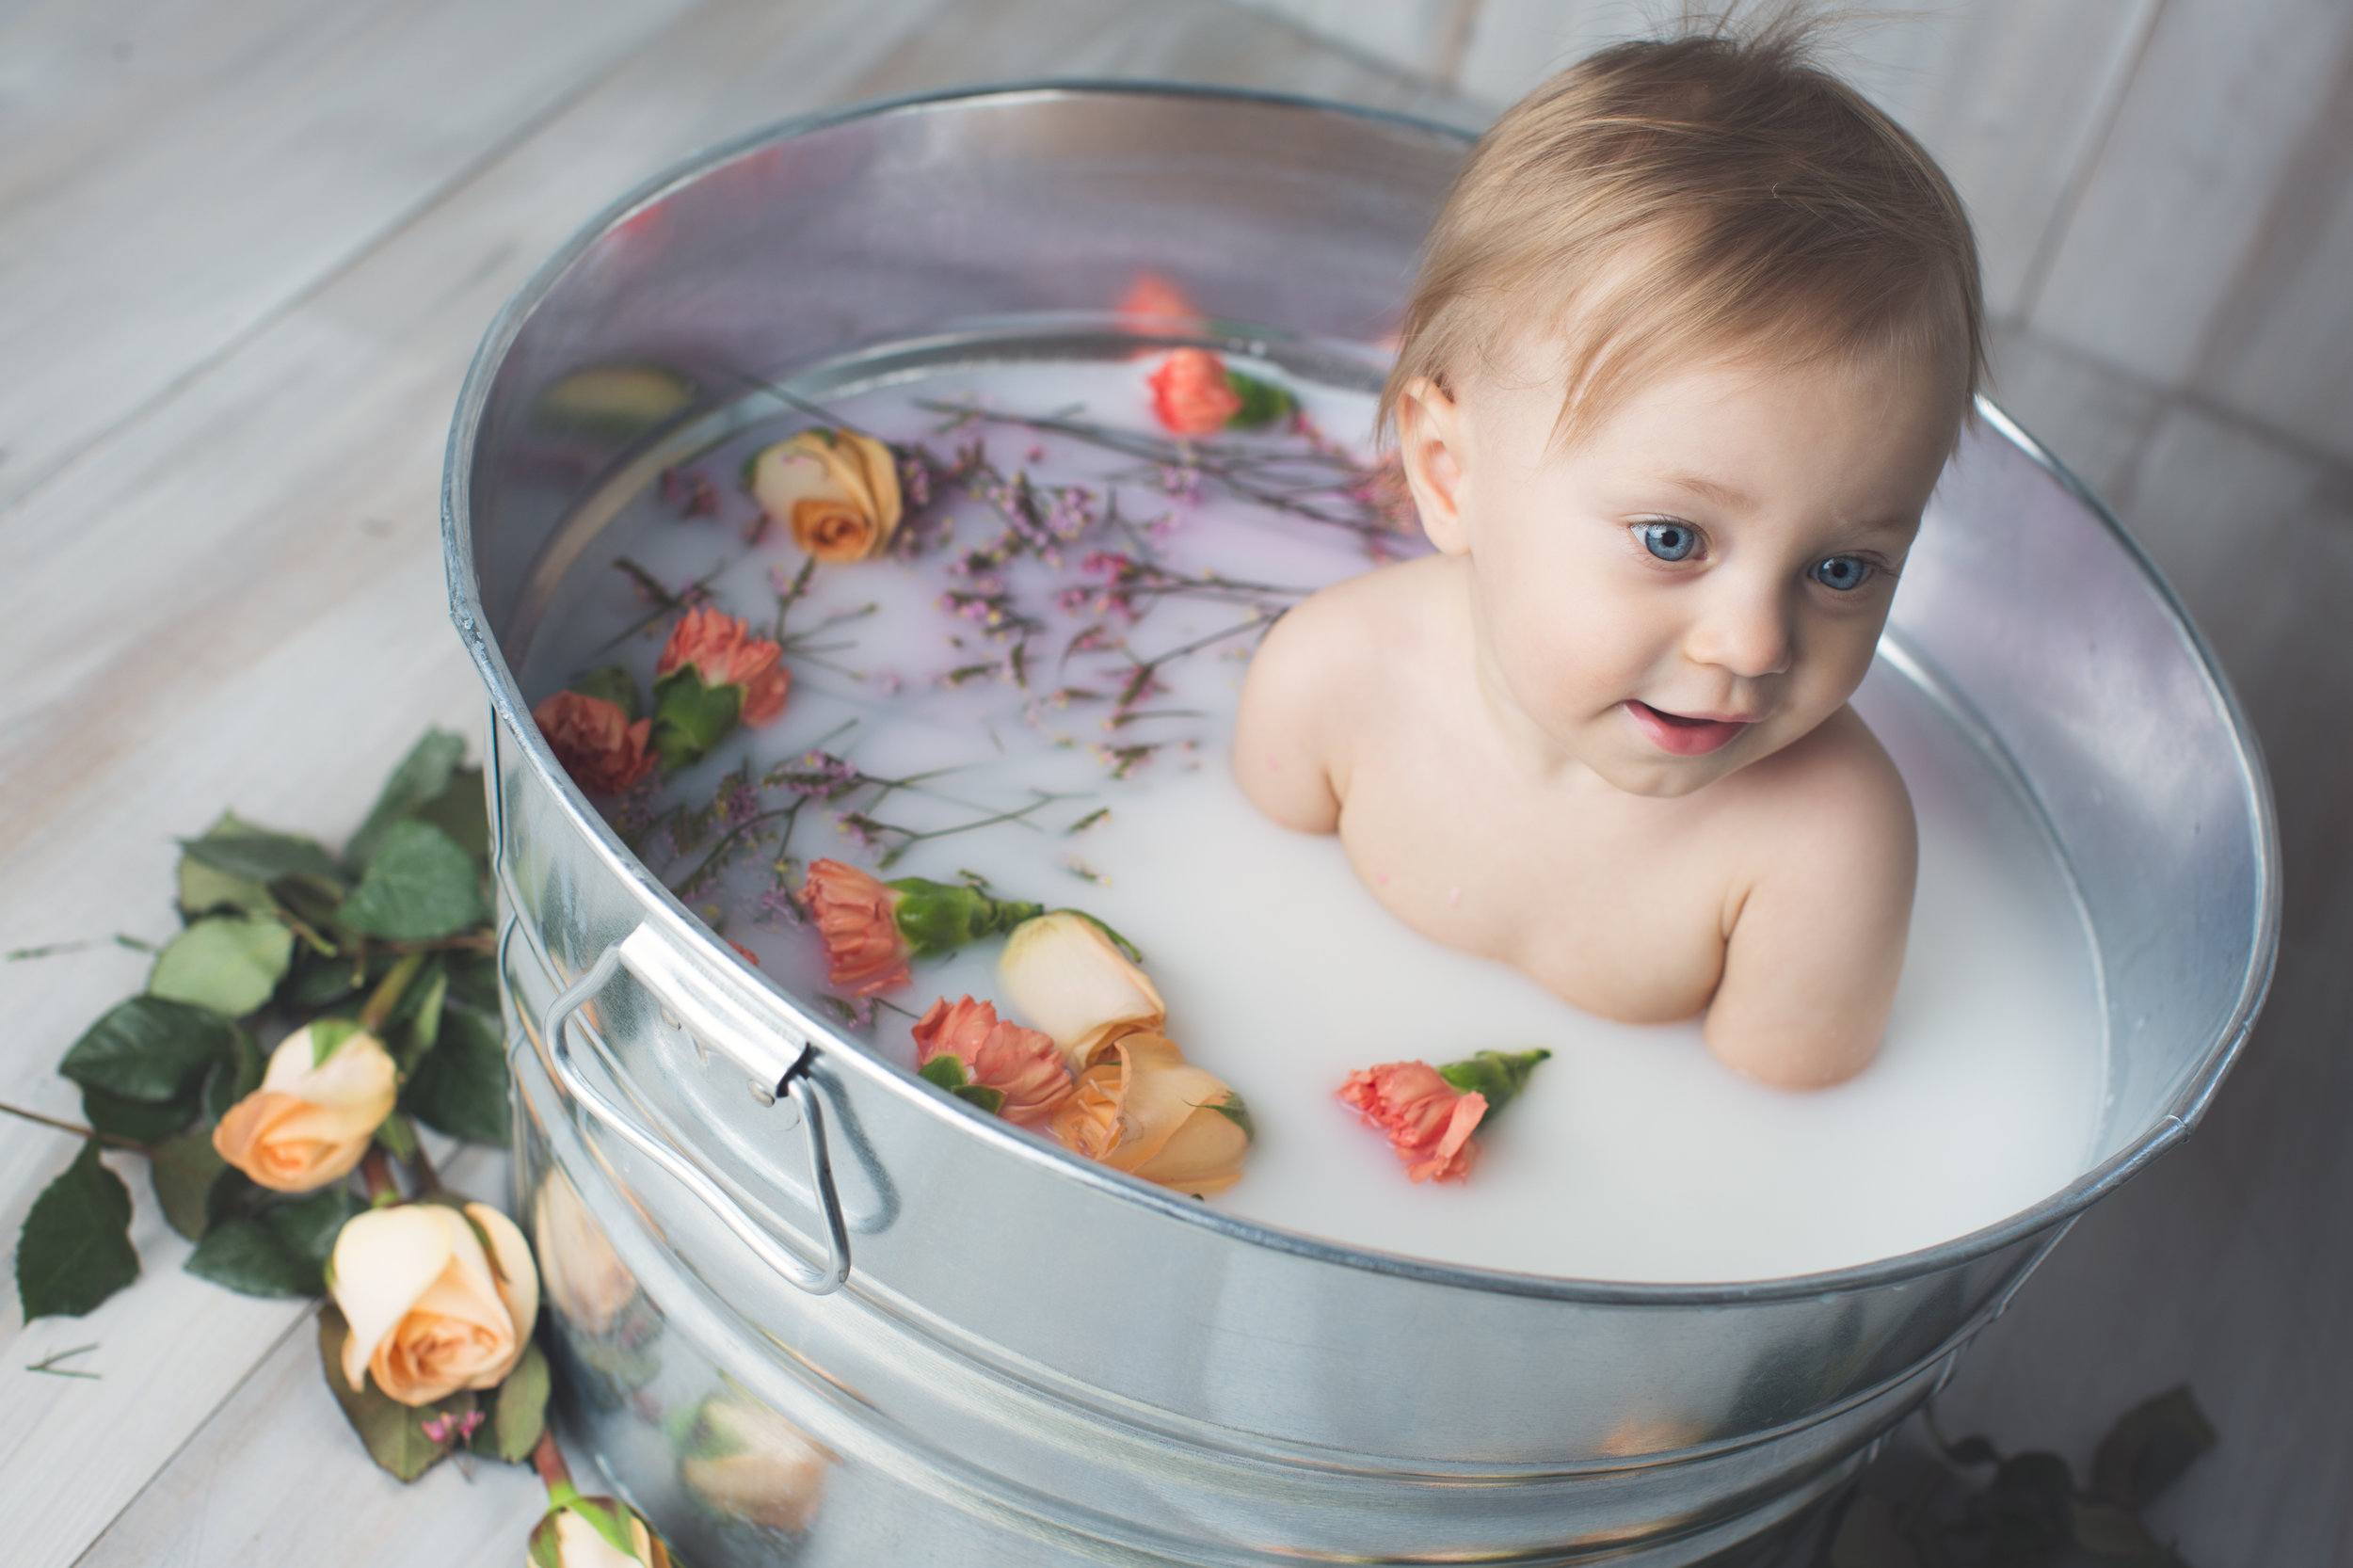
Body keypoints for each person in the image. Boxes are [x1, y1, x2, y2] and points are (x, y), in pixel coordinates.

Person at [1234, 16, 1983, 1090]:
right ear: (1449, 475)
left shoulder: (1822, 855)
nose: (1753, 643)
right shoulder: (1330, 679)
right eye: (1673, 540)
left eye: (1842, 569)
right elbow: (1233, 900)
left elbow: (1777, 1146)